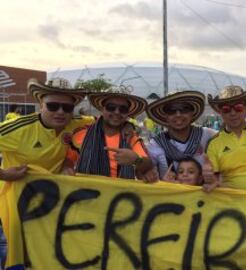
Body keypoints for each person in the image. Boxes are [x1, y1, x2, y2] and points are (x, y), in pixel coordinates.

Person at [0, 77, 93, 269]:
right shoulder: (19, 128)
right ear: (41, 104)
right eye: (53, 106)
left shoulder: (76, 123)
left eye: (67, 108)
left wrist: (127, 127)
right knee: (16, 255)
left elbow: (106, 122)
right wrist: (3, 174)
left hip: (49, 204)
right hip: (14, 204)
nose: (60, 112)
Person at [63, 86, 153, 179]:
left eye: (123, 109)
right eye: (111, 107)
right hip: (87, 190)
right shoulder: (83, 133)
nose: (117, 112)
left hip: (120, 191)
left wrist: (136, 160)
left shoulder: (130, 138)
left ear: (127, 113)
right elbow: (69, 159)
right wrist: (67, 168)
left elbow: (148, 165)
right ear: (102, 109)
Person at [145, 91, 217, 179]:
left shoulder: (208, 135)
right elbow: (145, 176)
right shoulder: (155, 145)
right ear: (165, 116)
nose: (178, 114)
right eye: (171, 110)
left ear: (192, 113)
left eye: (184, 109)